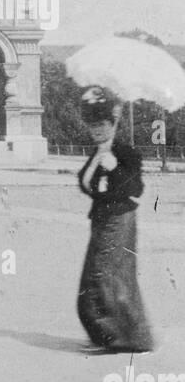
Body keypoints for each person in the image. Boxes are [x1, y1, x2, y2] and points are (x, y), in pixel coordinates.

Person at [76, 87, 154, 354]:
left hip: (119, 220)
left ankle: (128, 337)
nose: (97, 130)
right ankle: (105, 336)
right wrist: (100, 168)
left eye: (102, 124)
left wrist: (115, 168)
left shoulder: (125, 153)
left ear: (112, 124)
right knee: (91, 279)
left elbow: (136, 189)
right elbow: (88, 185)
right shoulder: (97, 153)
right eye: (93, 125)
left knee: (107, 276)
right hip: (100, 219)